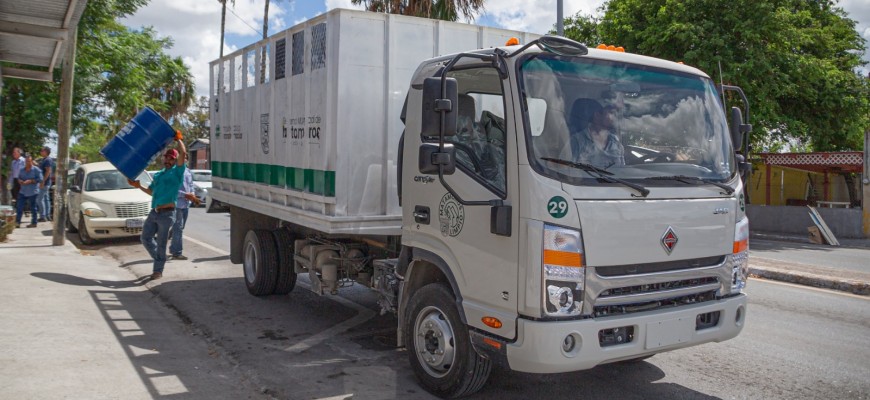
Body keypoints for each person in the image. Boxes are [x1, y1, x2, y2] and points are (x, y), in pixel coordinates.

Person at [128, 133, 187, 280]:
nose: (168, 160)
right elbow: (151, 191)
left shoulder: (177, 172)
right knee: (145, 238)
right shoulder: (159, 175)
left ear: (175, 161)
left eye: (171, 158)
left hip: (167, 214)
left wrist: (178, 139)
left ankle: (158, 270)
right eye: (167, 157)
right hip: (155, 212)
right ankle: (160, 259)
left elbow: (184, 153)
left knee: (161, 243)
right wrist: (138, 186)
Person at [566, 99, 625, 169]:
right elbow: (568, 172)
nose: (615, 117)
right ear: (597, 115)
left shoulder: (616, 143)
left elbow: (622, 171)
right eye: (611, 113)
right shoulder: (577, 141)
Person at [169, 166, 198, 260]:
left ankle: (173, 239)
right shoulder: (172, 171)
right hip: (176, 204)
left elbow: (191, 185)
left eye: (185, 157)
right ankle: (177, 253)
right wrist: (184, 194)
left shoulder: (187, 171)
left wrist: (192, 194)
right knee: (179, 229)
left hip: (186, 204)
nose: (183, 159)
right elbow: (170, 190)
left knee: (179, 227)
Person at [15, 155, 43, 228]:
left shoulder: (36, 170)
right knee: (19, 207)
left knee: (33, 208)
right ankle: (17, 222)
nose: (28, 163)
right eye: (26, 161)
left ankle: (34, 222)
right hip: (23, 191)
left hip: (32, 192)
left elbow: (40, 179)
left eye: (29, 161)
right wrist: (20, 181)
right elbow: (19, 178)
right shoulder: (22, 170)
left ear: (32, 161)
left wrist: (31, 181)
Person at [36, 146, 56, 222]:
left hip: (45, 183)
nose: (41, 152)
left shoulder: (47, 160)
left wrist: (42, 181)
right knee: (46, 199)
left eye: (42, 150)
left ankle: (43, 216)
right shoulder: (44, 160)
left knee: (39, 199)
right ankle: (47, 215)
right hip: (46, 182)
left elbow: (48, 171)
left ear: (46, 152)